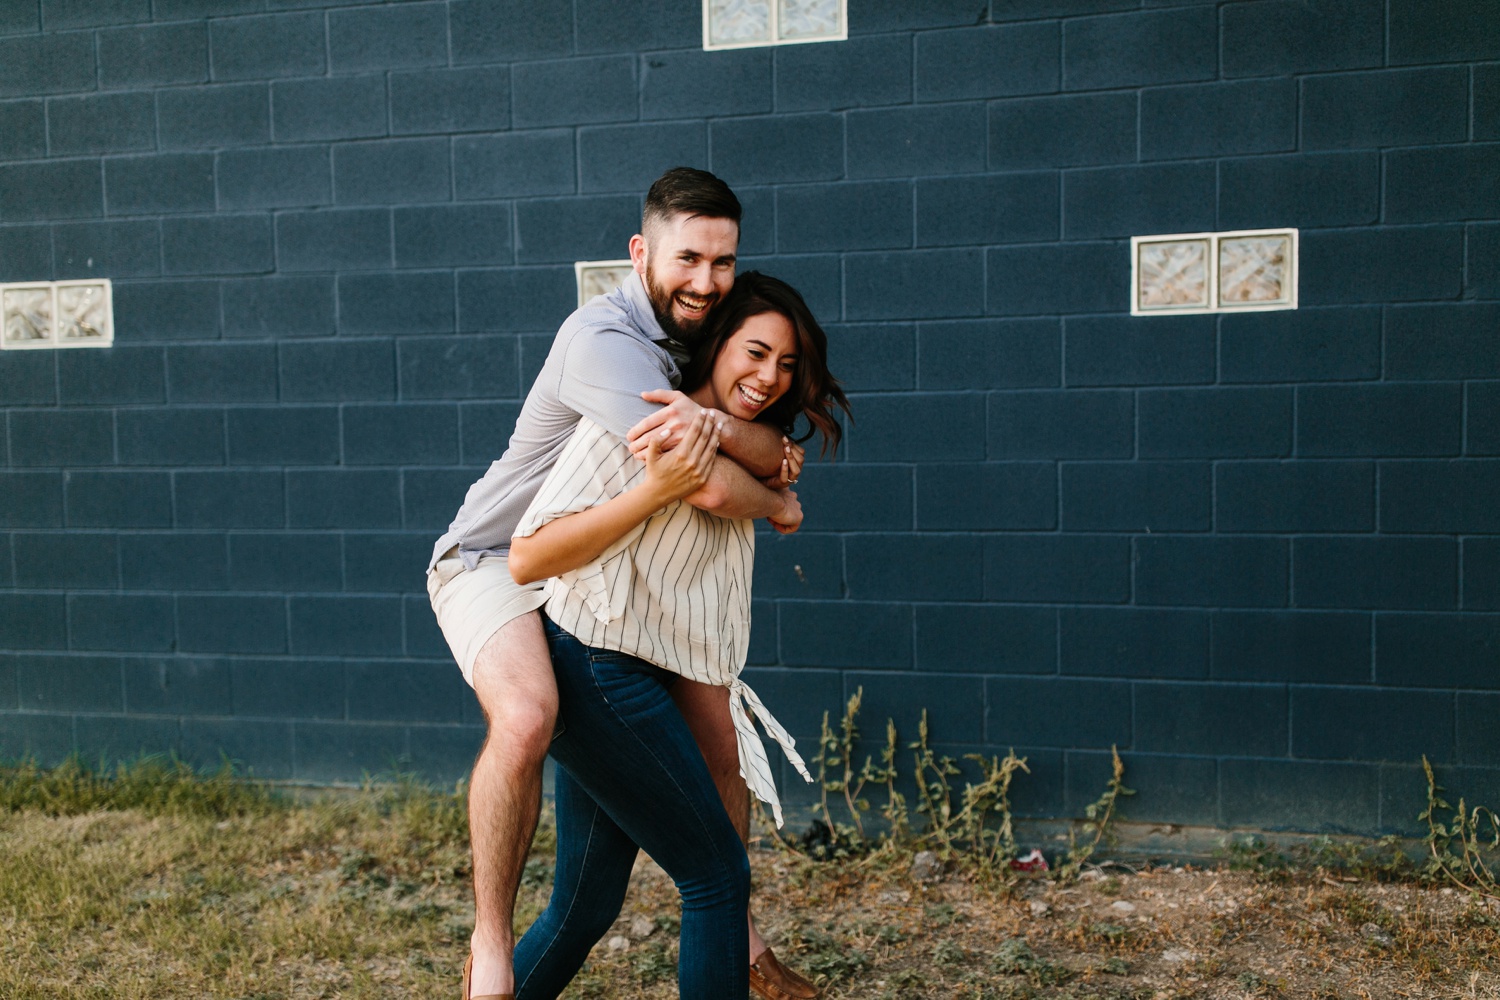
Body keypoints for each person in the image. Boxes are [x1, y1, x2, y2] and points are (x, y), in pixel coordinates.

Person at [427, 168, 818, 1000]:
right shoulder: (609, 346)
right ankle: (489, 947)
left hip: (591, 600)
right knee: (528, 717)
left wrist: (759, 450)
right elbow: (697, 480)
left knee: (589, 899)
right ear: (641, 253)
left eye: (723, 262)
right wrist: (779, 502)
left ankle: (740, 943)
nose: (706, 280)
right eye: (688, 259)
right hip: (496, 558)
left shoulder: (688, 341)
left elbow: (741, 442)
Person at [505, 273, 850, 999]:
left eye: (787, 365)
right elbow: (528, 556)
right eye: (755, 352)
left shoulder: (745, 450)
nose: (769, 377)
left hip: (631, 677)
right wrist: (749, 497)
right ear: (717, 344)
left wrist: (770, 483)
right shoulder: (634, 421)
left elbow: (735, 481)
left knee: (584, 905)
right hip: (594, 669)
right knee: (716, 877)